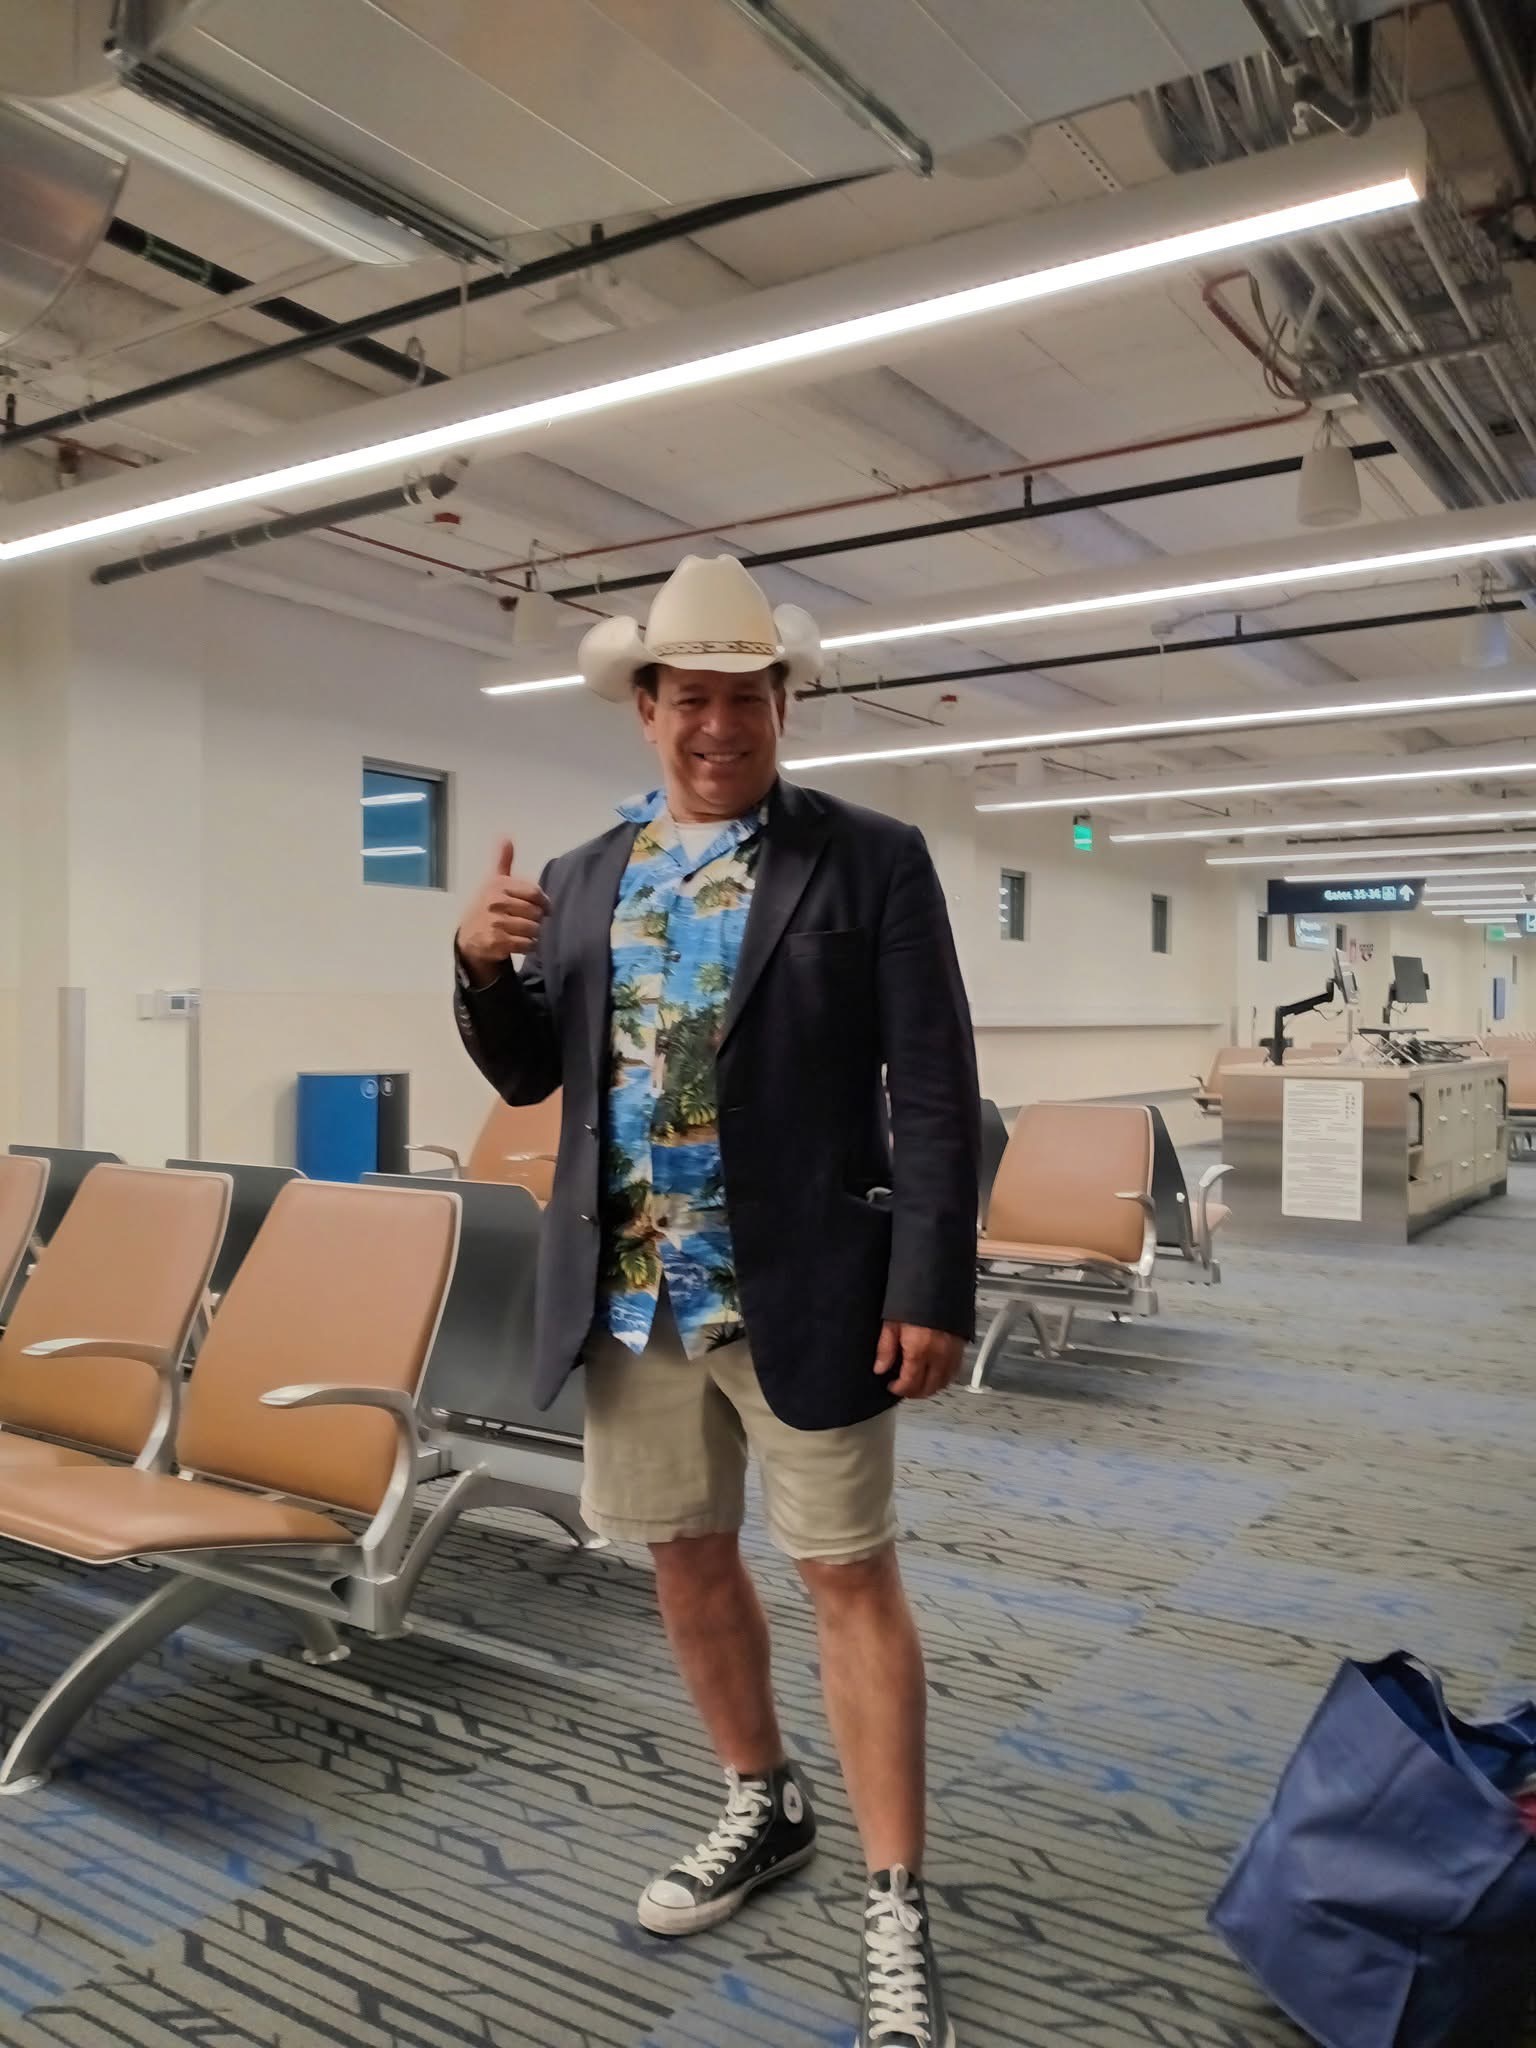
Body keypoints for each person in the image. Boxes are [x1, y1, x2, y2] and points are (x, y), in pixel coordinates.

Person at [453, 555, 979, 2048]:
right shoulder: (581, 879)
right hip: (634, 1293)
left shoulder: (869, 859)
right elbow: (530, 1075)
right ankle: (763, 1800)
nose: (720, 725)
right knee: (685, 1558)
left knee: (847, 1574)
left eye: (747, 698)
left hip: (810, 1285)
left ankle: (895, 1900)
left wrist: (931, 1280)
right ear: (647, 706)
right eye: (692, 697)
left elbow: (936, 1085)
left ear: (782, 705)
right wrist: (477, 964)